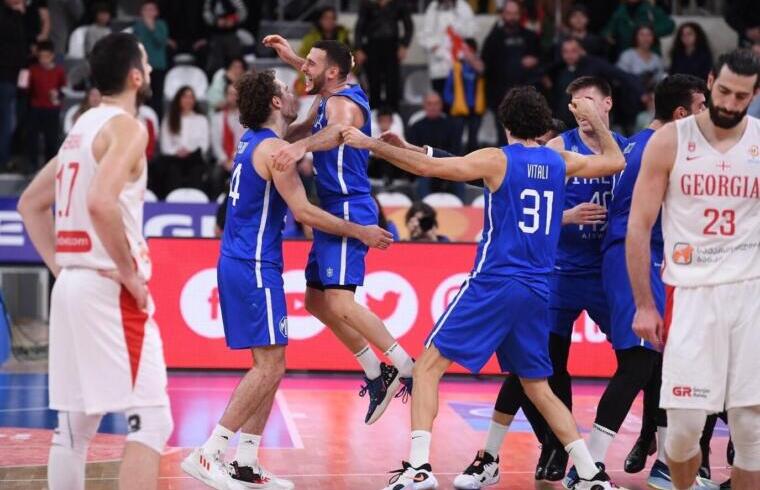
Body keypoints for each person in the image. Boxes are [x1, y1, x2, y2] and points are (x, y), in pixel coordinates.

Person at [341, 86, 625, 490]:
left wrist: (369, 143)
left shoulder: (497, 160)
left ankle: (419, 468)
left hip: (495, 282)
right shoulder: (559, 160)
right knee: (538, 387)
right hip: (537, 289)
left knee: (426, 369)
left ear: (506, 123)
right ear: (544, 123)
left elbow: (429, 170)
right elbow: (614, 160)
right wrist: (594, 119)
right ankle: (592, 473)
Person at [181, 68, 392, 490]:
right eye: (284, 89)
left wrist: (312, 76)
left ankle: (246, 460)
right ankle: (209, 451)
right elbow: (305, 213)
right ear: (276, 102)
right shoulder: (276, 150)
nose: (293, 92)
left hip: (246, 261)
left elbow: (306, 117)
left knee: (273, 365)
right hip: (253, 264)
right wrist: (361, 231)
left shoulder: (256, 139)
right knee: (268, 366)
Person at [17, 32, 172, 490]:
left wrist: (63, 269)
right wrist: (128, 274)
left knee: (74, 428)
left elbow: (30, 203)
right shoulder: (127, 127)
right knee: (152, 419)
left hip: (72, 287)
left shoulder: (80, 128)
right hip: (108, 288)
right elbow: (103, 202)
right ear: (136, 75)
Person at [564, 74, 708, 490]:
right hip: (635, 257)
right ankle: (586, 467)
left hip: (653, 258)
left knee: (662, 362)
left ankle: (665, 464)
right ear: (681, 113)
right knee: (639, 363)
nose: (707, 116)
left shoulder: (647, 143)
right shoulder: (659, 148)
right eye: (701, 108)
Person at [263, 35, 416, 424]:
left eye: (310, 64)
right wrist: (292, 56)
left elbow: (336, 132)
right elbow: (319, 80)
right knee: (316, 302)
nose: (304, 70)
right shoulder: (331, 88)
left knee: (340, 303)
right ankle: (374, 372)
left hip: (349, 206)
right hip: (333, 205)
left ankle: (402, 364)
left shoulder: (341, 104)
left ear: (332, 72)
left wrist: (300, 149)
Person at [628, 48, 760, 490]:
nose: (728, 102)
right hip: (692, 294)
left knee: (751, 432)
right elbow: (639, 226)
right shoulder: (670, 140)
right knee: (682, 432)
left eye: (741, 96)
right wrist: (644, 305)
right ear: (709, 81)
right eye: (722, 90)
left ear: (754, 94)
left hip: (751, 294)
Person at [481, 0, 540, 146]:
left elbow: (543, 59)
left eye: (515, 14)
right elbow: (484, 65)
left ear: (520, 15)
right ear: (502, 15)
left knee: (529, 134)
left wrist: (535, 61)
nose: (512, 17)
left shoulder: (530, 36)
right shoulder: (493, 38)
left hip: (526, 96)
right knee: (504, 136)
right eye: (508, 13)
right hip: (500, 97)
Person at [354, 0, 413, 111]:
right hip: (372, 46)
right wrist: (358, 48)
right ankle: (374, 112)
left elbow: (408, 26)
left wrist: (404, 45)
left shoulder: (399, 4)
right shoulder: (368, 4)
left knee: (392, 82)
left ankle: (393, 113)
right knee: (373, 81)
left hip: (392, 46)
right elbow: (359, 27)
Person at [407, 92, 464, 198]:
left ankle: (463, 211)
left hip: (448, 168)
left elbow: (456, 151)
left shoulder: (452, 126)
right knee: (422, 182)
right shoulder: (416, 127)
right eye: (429, 104)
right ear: (424, 105)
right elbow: (412, 152)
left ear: (441, 105)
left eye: (436, 103)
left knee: (460, 181)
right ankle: (423, 211)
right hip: (425, 169)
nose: (433, 107)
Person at [158, 86, 209, 197]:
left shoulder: (201, 120)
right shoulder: (169, 119)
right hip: (174, 158)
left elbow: (204, 144)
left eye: (191, 97)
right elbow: (165, 145)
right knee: (172, 171)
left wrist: (189, 151)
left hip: (194, 158)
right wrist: (177, 151)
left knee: (197, 170)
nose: (188, 100)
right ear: (179, 99)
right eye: (185, 97)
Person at [418, 0, 475, 99]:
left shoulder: (463, 6)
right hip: (439, 68)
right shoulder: (433, 7)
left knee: (460, 101)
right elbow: (425, 36)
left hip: (460, 66)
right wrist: (436, 49)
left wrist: (456, 31)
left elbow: (471, 31)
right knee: (441, 100)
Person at [25, 40, 66, 174]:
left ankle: (49, 169)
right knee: (33, 138)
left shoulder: (59, 71)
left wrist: (57, 95)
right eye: (41, 57)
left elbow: (63, 89)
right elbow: (27, 89)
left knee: (51, 139)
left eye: (46, 56)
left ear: (52, 56)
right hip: (36, 107)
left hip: (52, 109)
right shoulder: (33, 70)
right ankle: (32, 165)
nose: (44, 60)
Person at [133, 0, 168, 119]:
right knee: (142, 95)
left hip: (158, 66)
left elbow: (161, 41)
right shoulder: (137, 26)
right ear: (141, 12)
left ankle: (157, 123)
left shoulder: (161, 25)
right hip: (142, 67)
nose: (148, 12)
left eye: (151, 9)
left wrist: (152, 27)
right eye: (146, 9)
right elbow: (138, 43)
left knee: (157, 98)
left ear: (156, 12)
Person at [209, 82, 244, 198]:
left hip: (242, 160)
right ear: (225, 96)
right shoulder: (217, 118)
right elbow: (215, 144)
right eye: (230, 94)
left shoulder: (247, 118)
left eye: (235, 94)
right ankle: (214, 208)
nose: (233, 97)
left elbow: (246, 142)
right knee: (215, 175)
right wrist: (225, 161)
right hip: (223, 161)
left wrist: (235, 160)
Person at [202, 0, 246, 75]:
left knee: (235, 58)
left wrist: (233, 19)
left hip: (232, 33)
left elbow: (243, 12)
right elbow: (206, 12)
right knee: (215, 63)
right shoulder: (210, 2)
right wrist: (215, 21)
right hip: (215, 34)